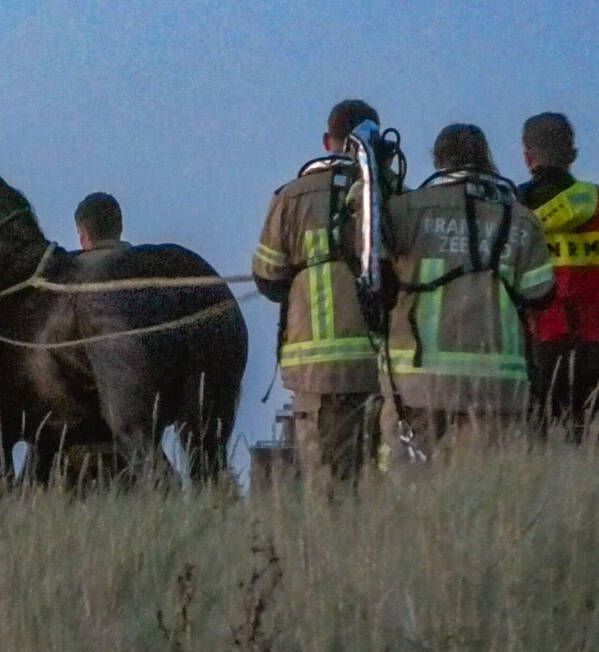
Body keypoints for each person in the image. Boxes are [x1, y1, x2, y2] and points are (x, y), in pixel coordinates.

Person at [378, 124, 554, 464]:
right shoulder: (520, 219)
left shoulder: (404, 211)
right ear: (486, 158)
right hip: (496, 385)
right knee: (484, 490)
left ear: (438, 160)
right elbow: (540, 294)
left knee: (407, 489)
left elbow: (374, 278)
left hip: (416, 383)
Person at [252, 99, 383, 482]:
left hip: (317, 372)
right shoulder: (393, 194)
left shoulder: (290, 198)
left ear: (328, 141)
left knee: (328, 480)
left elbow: (267, 277)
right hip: (388, 365)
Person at [518, 112, 599, 439]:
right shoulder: (596, 202)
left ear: (527, 158)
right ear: (574, 155)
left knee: (539, 446)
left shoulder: (515, 207)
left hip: (540, 342)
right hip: (595, 342)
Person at [74, 192, 132, 267]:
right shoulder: (144, 261)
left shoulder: (72, 270)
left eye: (79, 232)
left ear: (85, 236)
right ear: (121, 227)